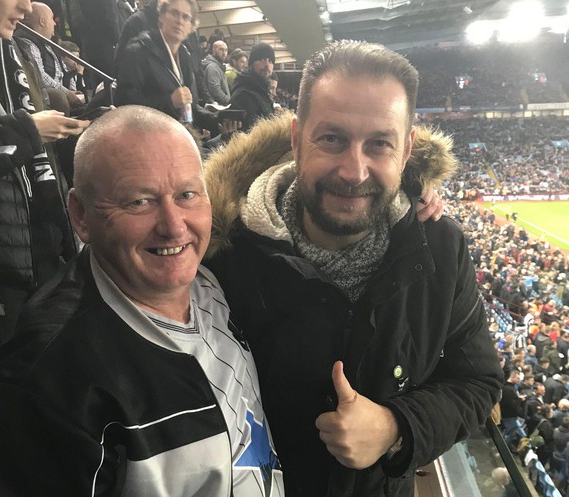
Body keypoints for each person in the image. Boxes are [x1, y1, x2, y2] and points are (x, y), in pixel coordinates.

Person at [204, 40, 503, 497]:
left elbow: (477, 381)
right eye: (332, 138)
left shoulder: (442, 248)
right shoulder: (222, 253)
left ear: (406, 151)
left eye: (378, 144)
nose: (354, 170)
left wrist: (395, 426)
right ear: (295, 139)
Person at [0, 105, 284, 496]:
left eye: (187, 194)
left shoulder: (215, 277)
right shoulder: (49, 383)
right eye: (138, 201)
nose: (174, 226)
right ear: (80, 215)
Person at [0, 0, 88, 345]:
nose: (25, 6)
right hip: (3, 271)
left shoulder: (15, 51)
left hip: (43, 243)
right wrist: (29, 131)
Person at [115, 0, 216, 132]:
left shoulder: (184, 56)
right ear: (161, 16)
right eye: (174, 13)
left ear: (191, 27)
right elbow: (124, 103)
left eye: (186, 17)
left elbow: (189, 106)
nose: (179, 21)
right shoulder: (138, 50)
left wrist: (216, 120)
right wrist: (169, 102)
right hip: (149, 139)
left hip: (179, 135)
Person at [14, 2, 82, 109]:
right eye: (52, 18)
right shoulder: (27, 42)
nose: (55, 23)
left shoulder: (50, 42)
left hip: (62, 91)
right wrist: (67, 93)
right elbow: (40, 76)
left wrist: (72, 90)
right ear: (42, 21)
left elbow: (65, 70)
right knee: (59, 97)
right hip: (49, 96)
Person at [229, 42, 275, 131]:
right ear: (251, 64)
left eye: (270, 61)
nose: (267, 65)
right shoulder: (243, 94)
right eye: (262, 59)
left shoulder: (263, 92)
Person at [202, 39, 230, 105]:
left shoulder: (218, 66)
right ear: (213, 50)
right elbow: (215, 90)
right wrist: (229, 102)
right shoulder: (213, 67)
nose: (224, 53)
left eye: (226, 50)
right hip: (217, 108)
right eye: (221, 50)